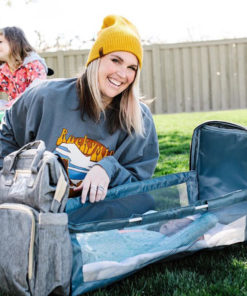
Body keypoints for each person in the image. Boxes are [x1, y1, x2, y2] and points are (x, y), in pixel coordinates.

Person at [0, 15, 159, 220]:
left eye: (132, 68)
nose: (122, 73)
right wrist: (14, 180)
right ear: (96, 60)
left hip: (95, 210)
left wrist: (108, 168)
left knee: (146, 202)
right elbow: (8, 132)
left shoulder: (140, 118)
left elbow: (138, 185)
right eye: (115, 60)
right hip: (38, 211)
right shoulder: (46, 96)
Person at [0, 26, 53, 107]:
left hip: (37, 112)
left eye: (0, 42)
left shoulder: (33, 64)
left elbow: (37, 90)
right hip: (16, 113)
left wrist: (9, 105)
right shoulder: (3, 71)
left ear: (14, 42)